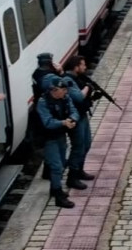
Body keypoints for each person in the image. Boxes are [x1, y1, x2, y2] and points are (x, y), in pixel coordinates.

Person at [35, 74, 78, 208]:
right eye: (62, 90)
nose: (65, 92)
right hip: (48, 138)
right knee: (56, 166)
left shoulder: (64, 98)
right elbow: (47, 122)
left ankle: (55, 188)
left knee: (62, 162)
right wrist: (63, 123)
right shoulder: (43, 103)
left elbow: (74, 110)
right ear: (54, 90)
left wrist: (72, 119)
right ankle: (58, 196)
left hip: (60, 135)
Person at [64, 55, 97, 189]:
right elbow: (78, 97)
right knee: (78, 147)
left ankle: (79, 170)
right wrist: (88, 88)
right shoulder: (68, 80)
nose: (85, 67)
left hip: (82, 115)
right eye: (82, 65)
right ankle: (72, 177)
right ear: (76, 67)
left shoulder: (78, 78)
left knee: (86, 144)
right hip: (75, 118)